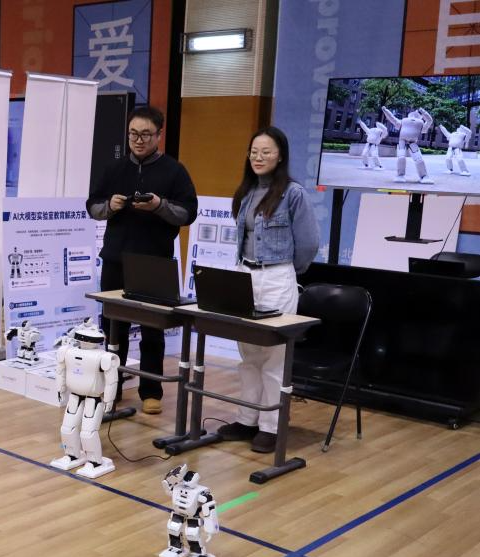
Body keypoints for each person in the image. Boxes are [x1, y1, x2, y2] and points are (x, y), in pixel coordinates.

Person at [86, 106, 199, 415]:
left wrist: (159, 205)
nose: (138, 140)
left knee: (153, 329)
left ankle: (151, 391)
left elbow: (188, 213)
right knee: (113, 327)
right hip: (116, 259)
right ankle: (113, 388)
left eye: (146, 134)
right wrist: (110, 206)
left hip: (154, 263)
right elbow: (93, 207)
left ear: (159, 135)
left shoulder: (174, 171)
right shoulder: (114, 169)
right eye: (133, 134)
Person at [216, 127, 320, 453]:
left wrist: (285, 272)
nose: (259, 157)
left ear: (281, 156)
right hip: (245, 275)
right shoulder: (247, 192)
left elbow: (309, 244)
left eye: (266, 152)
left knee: (274, 357)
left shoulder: (293, 194)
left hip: (277, 277)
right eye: (254, 152)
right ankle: (247, 420)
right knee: (249, 355)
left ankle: (271, 427)